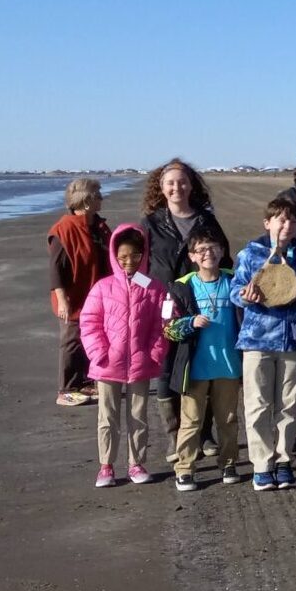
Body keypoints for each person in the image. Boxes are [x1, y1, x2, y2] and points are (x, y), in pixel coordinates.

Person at [230, 195, 296, 492]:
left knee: (289, 403)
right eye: (282, 219)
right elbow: (234, 292)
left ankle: (284, 461)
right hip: (257, 339)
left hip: (294, 340)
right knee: (257, 404)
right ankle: (262, 464)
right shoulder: (250, 254)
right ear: (268, 223)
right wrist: (246, 296)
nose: (288, 225)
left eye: (293, 220)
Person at [141, 158, 232, 463]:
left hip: (201, 300)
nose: (177, 187)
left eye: (182, 182)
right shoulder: (151, 223)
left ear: (192, 185)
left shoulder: (206, 220)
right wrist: (149, 290)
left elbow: (225, 257)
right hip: (165, 304)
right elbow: (138, 266)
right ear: (161, 187)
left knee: (200, 366)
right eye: (170, 182)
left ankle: (204, 435)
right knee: (167, 368)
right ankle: (174, 435)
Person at [80, 224, 168, 487]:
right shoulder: (102, 287)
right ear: (114, 256)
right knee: (107, 416)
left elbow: (164, 323)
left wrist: (154, 352)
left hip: (141, 364)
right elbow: (89, 322)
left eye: (135, 256)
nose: (129, 262)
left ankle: (136, 463)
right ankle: (106, 466)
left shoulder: (154, 288)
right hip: (107, 364)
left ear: (143, 254)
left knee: (138, 416)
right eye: (123, 257)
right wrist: (99, 353)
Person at [163, 226, 242, 491]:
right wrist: (190, 322)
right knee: (192, 421)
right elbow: (167, 327)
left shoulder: (235, 279)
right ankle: (184, 468)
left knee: (228, 419)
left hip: (229, 364)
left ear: (222, 251)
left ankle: (229, 462)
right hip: (194, 368)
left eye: (213, 248)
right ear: (192, 256)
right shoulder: (180, 286)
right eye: (201, 250)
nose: (208, 253)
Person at [47, 178, 110, 407]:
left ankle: (86, 381)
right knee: (72, 341)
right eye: (97, 195)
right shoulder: (63, 230)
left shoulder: (99, 227)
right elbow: (57, 269)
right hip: (74, 297)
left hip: (98, 295)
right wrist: (63, 300)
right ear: (85, 201)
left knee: (93, 339)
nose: (101, 198)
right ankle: (67, 388)